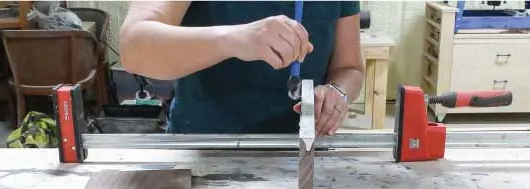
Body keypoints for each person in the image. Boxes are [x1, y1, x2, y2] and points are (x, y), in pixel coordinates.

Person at [120, 1, 366, 135]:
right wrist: (235, 39)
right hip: (205, 148)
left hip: (302, 152)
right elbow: (134, 47)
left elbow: (349, 67)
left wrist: (337, 92)